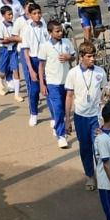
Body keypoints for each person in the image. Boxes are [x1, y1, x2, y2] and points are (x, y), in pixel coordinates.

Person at [65, 42, 107, 193]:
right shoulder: (73, 73)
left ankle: (102, 175)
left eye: (94, 56)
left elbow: (105, 95)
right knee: (85, 148)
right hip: (81, 116)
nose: (92, 59)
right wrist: (67, 119)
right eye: (89, 56)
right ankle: (90, 175)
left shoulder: (100, 72)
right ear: (81, 57)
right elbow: (69, 96)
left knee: (99, 147)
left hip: (96, 116)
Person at [36, 20, 76, 151]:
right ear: (50, 32)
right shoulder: (45, 46)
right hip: (52, 82)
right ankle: (61, 135)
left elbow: (74, 57)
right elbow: (41, 66)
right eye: (57, 31)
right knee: (58, 108)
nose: (60, 33)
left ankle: (59, 124)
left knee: (66, 108)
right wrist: (42, 83)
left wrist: (68, 57)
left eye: (61, 30)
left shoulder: (66, 43)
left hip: (67, 81)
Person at [19, 3, 49, 127]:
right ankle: (34, 113)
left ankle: (54, 116)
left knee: (49, 88)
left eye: (39, 13)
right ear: (30, 15)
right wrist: (30, 69)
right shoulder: (27, 29)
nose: (37, 16)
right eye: (34, 13)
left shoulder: (44, 26)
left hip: (45, 60)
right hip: (34, 59)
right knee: (34, 89)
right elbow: (25, 50)